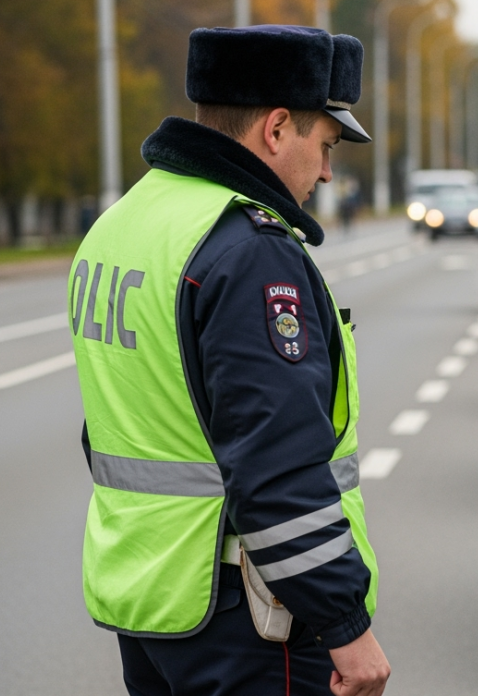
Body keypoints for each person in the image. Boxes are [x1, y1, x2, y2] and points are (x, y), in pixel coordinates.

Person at [68, 25, 389, 696]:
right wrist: (345, 627)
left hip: (151, 603)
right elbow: (277, 469)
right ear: (277, 130)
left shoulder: (124, 224)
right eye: (325, 146)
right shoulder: (248, 250)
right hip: (245, 618)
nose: (328, 172)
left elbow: (120, 420)